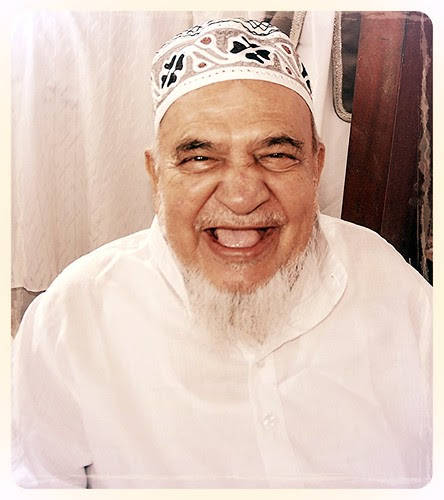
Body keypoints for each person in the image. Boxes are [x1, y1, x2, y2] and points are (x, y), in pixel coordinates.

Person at [12, 18, 432, 489]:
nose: (241, 196)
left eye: (276, 155)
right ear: (156, 175)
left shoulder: (385, 283)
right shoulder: (71, 320)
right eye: (199, 157)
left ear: (316, 166)